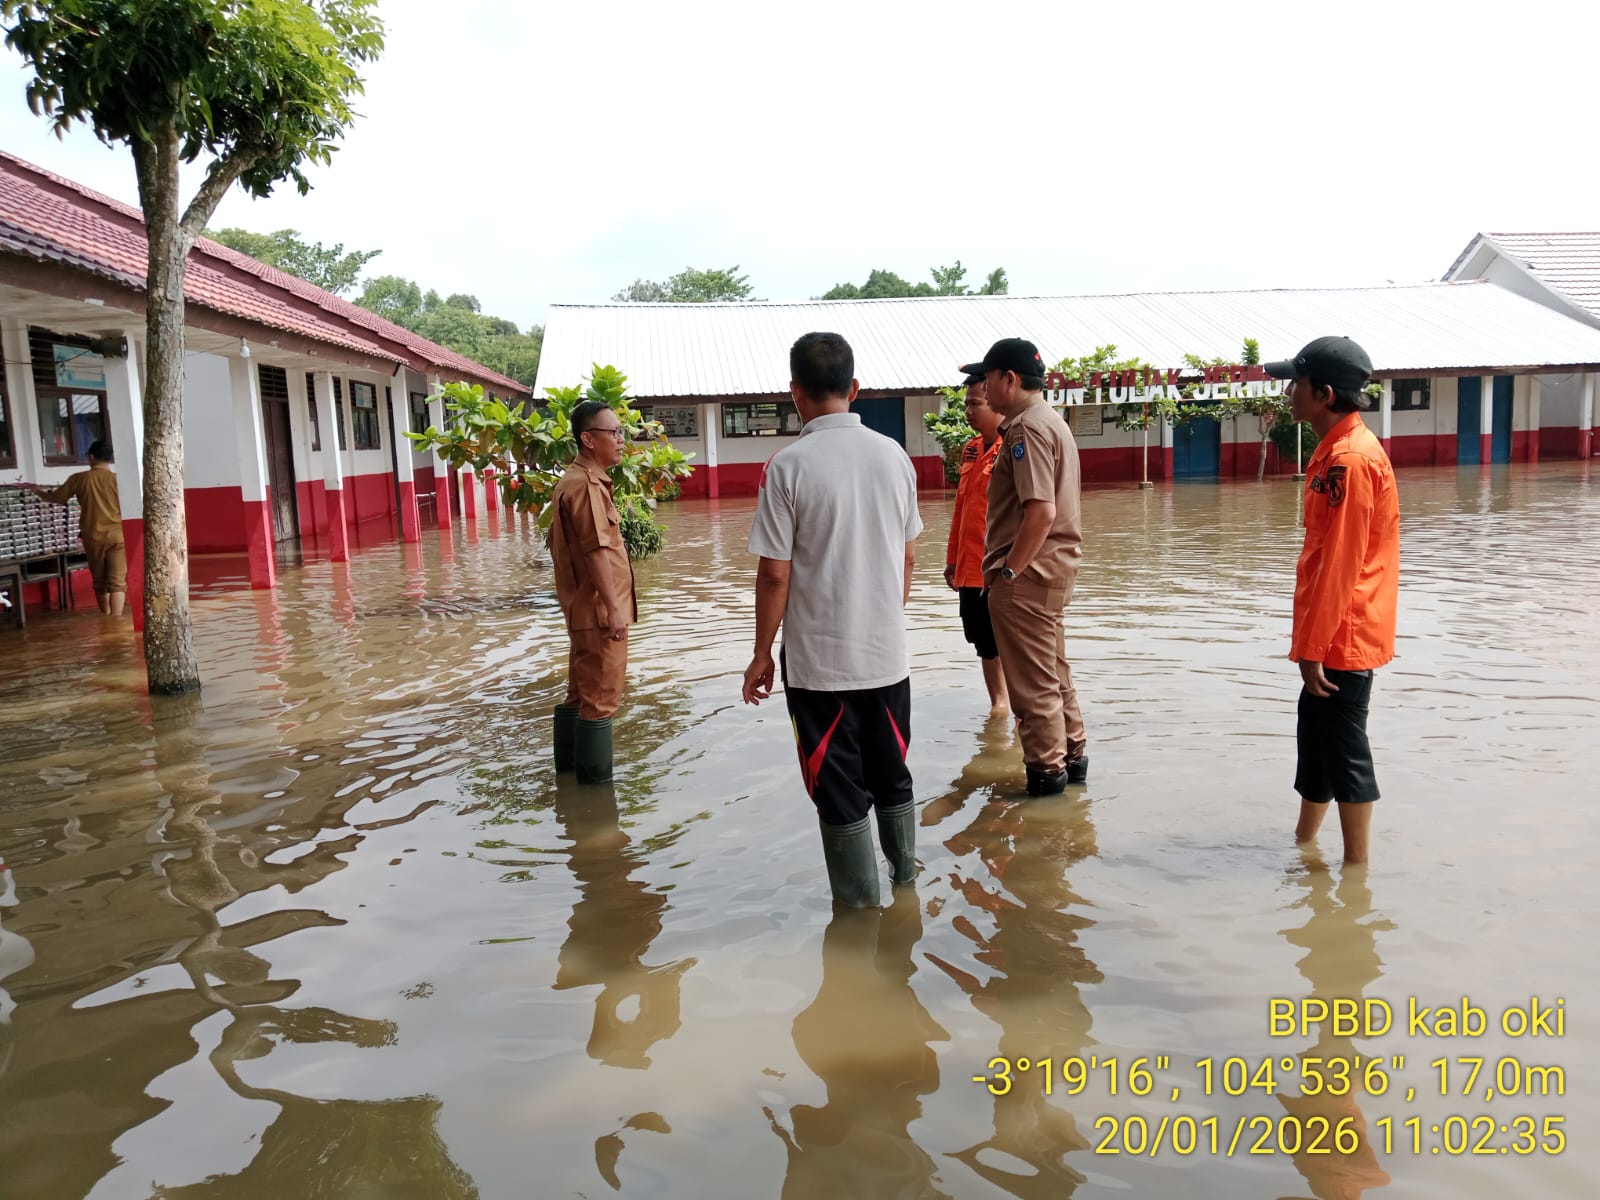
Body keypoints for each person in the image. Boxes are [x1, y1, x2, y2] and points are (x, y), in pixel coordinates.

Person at [742, 332, 923, 908]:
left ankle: (857, 918)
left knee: (839, 792)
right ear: (855, 388)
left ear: (794, 392)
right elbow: (907, 557)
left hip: (819, 669)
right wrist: (881, 620)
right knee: (892, 775)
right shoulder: (895, 457)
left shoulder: (786, 467)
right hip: (887, 657)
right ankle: (906, 892)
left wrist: (760, 653)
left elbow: (775, 575)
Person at [1264, 337, 1399, 866]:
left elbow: (1342, 562)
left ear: (1323, 393)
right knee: (1316, 745)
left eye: (1295, 383)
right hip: (1329, 631)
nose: (1288, 393)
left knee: (1346, 753)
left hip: (1344, 633)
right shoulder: (1332, 450)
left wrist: (1314, 647)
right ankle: (1304, 846)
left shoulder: (1351, 461)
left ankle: (1356, 873)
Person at [959, 337, 1087, 795]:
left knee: (1033, 689)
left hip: (1029, 575)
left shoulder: (1025, 430)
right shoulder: (1051, 421)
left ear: (1009, 379)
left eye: (987, 378)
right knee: (1055, 673)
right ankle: (1072, 761)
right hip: (1053, 569)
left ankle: (1046, 782)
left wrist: (1009, 572)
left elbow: (1040, 512)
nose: (982, 388)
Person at [548, 400, 637, 784]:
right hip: (600, 613)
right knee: (600, 702)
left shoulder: (575, 479)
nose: (621, 440)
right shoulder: (585, 486)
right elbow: (597, 550)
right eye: (613, 432)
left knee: (580, 696)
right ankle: (595, 795)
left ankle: (568, 786)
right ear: (588, 439)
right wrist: (614, 609)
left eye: (621, 432)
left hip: (585, 610)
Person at [945, 373, 1009, 712]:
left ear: (995, 402)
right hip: (970, 567)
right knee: (982, 640)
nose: (968, 411)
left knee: (1008, 641)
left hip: (999, 568)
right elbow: (961, 507)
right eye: (966, 404)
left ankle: (1019, 709)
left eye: (975, 404)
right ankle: (998, 706)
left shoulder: (1012, 448)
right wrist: (952, 559)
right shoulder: (971, 448)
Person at [31, 439, 125, 616]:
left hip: (93, 537)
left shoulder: (79, 479)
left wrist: (39, 492)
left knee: (100, 582)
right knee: (118, 582)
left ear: (91, 457)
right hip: (118, 535)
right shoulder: (118, 480)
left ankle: (106, 617)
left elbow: (58, 498)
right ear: (109, 458)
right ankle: (116, 622)